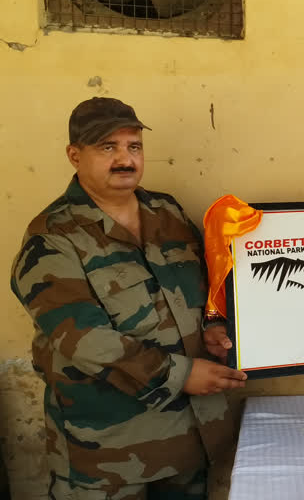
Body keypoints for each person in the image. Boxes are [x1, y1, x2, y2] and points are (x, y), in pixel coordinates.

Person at [10, 97, 248, 499]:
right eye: (108, 147)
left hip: (192, 442)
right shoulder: (52, 237)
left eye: (133, 146)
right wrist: (181, 374)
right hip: (108, 456)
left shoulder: (166, 211)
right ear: (74, 155)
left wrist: (214, 326)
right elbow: (85, 340)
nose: (125, 159)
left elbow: (207, 289)